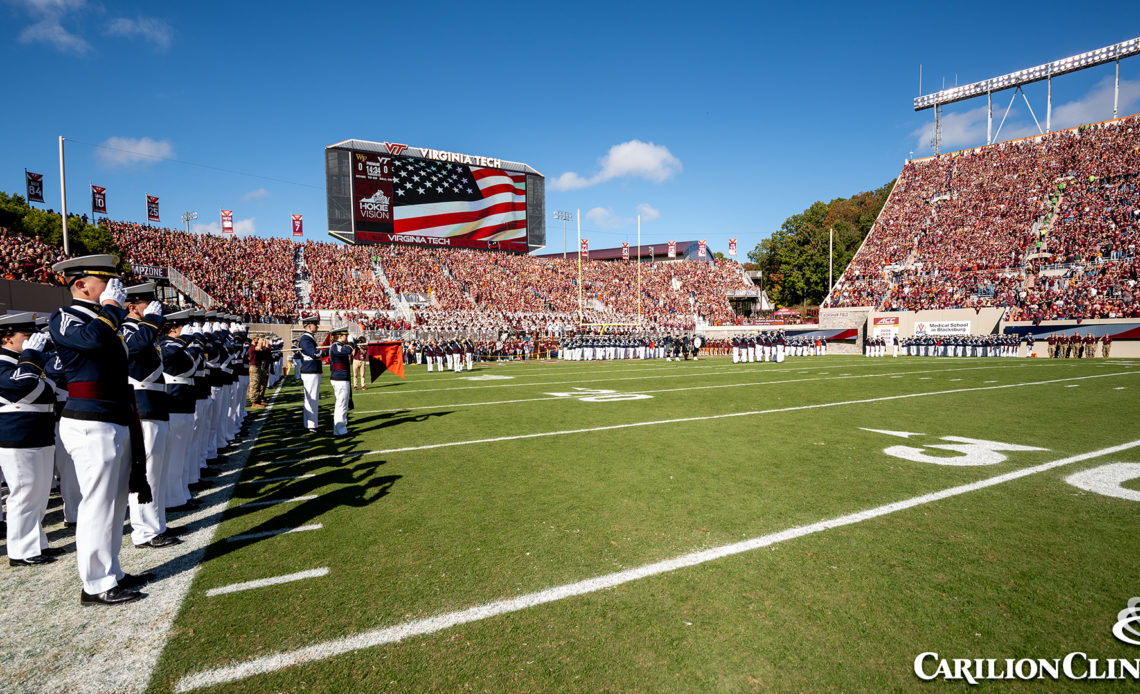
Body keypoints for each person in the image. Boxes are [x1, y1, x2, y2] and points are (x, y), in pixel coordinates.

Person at [50, 254, 153, 606]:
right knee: (97, 503)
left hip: (114, 415)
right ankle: (95, 583)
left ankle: (112, 571)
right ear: (81, 285)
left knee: (112, 503)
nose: (115, 288)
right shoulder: (65, 317)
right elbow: (91, 342)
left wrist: (110, 310)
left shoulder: (104, 319)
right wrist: (110, 307)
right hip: (89, 420)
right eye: (105, 281)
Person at [121, 283, 180, 549]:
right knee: (147, 472)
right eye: (147, 305)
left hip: (155, 403)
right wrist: (153, 322)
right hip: (142, 404)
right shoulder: (126, 329)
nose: (154, 310)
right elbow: (134, 349)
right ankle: (144, 531)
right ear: (132, 307)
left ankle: (157, 525)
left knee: (157, 471)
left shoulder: (145, 331)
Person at [0, 313, 61, 567]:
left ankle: (36, 544)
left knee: (38, 495)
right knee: (24, 494)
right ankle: (20, 551)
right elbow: (22, 384)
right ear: (6, 338)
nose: (32, 341)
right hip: (19, 434)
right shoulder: (4, 363)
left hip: (39, 430)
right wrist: (32, 356)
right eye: (26, 336)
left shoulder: (26, 361)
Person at [157, 309, 199, 519]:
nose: (188, 329)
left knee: (182, 451)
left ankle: (181, 493)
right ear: (174, 328)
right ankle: (172, 498)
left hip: (184, 399)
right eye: (184, 326)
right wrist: (187, 340)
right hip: (175, 400)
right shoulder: (167, 345)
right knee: (175, 453)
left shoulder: (177, 345)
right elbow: (171, 355)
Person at [298, 316, 326, 432]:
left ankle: (310, 424)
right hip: (310, 370)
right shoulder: (305, 339)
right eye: (315, 324)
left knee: (311, 398)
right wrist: (328, 352)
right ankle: (311, 426)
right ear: (309, 326)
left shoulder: (309, 338)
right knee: (311, 398)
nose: (317, 326)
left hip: (311, 370)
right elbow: (314, 354)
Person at [328, 328, 352, 436]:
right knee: (341, 405)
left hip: (340, 377)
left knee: (341, 405)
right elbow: (347, 351)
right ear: (340, 336)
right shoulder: (337, 346)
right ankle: (340, 431)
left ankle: (340, 429)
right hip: (340, 378)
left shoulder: (337, 346)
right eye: (345, 335)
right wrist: (352, 344)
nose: (346, 337)